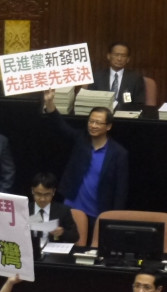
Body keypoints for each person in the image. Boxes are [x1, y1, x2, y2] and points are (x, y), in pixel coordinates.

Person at [43, 89, 129, 222]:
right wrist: (49, 102)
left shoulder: (119, 153)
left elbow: (120, 190)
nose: (93, 126)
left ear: (108, 126)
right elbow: (60, 125)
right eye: (91, 121)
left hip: (99, 212)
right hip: (72, 207)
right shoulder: (81, 139)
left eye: (98, 123)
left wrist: (116, 217)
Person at [28, 172, 79, 253]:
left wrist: (62, 232)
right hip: (28, 252)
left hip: (52, 253)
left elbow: (75, 237)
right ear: (32, 191)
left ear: (53, 192)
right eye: (38, 194)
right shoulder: (25, 209)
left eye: (47, 194)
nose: (42, 199)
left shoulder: (63, 211)